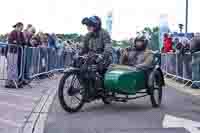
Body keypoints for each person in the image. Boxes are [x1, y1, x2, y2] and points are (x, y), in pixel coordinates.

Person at [6, 22, 26, 88]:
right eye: (21, 27)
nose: (21, 29)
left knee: (15, 67)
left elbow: (23, 42)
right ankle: (9, 82)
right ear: (18, 26)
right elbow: (11, 41)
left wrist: (18, 42)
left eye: (22, 28)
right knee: (11, 67)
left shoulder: (21, 33)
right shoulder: (13, 32)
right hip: (11, 51)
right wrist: (18, 42)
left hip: (16, 52)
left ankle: (14, 81)